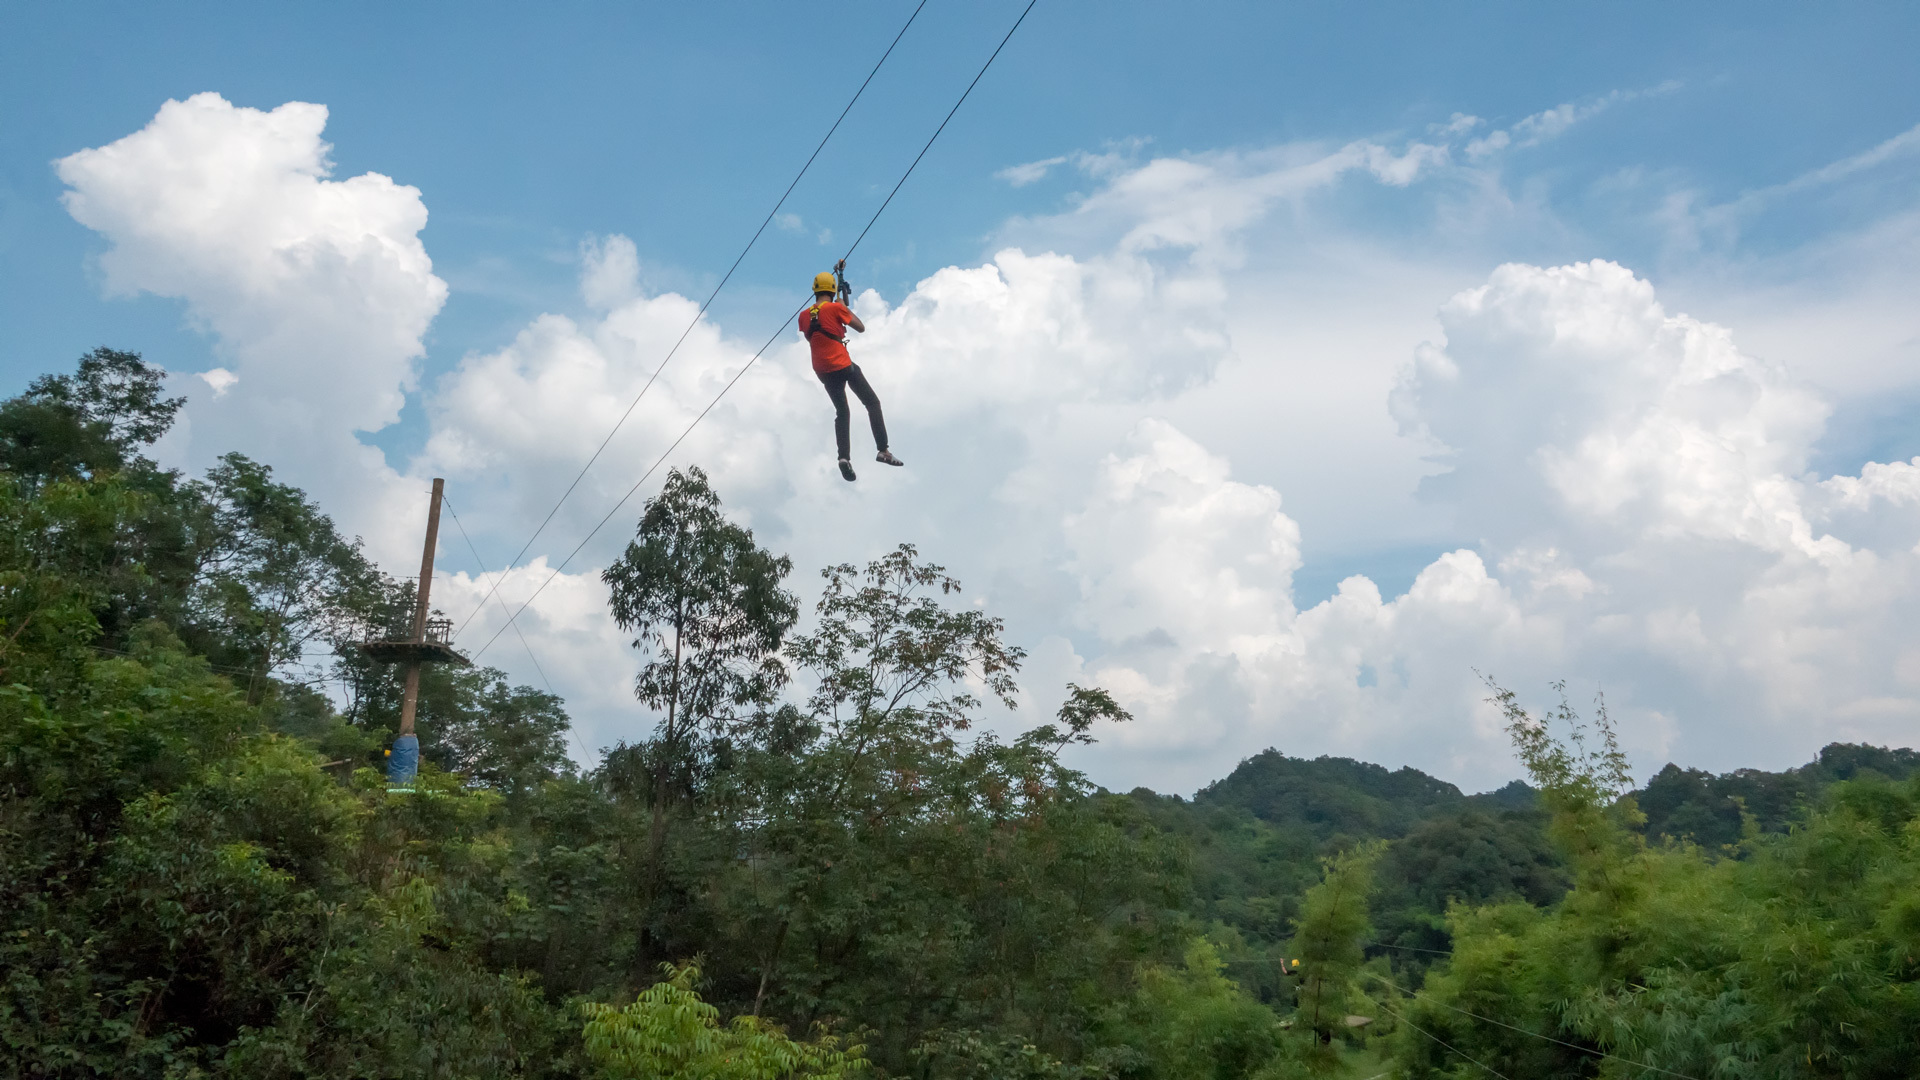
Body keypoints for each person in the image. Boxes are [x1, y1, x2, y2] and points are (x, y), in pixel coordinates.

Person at [801, 269, 902, 481]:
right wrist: (843, 307)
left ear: (815, 291)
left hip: (822, 370)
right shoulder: (836, 308)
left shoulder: (803, 316)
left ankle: (843, 458)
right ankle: (883, 450)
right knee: (872, 402)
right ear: (832, 290)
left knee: (842, 412)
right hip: (842, 364)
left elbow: (818, 332)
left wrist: (838, 309)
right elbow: (860, 327)